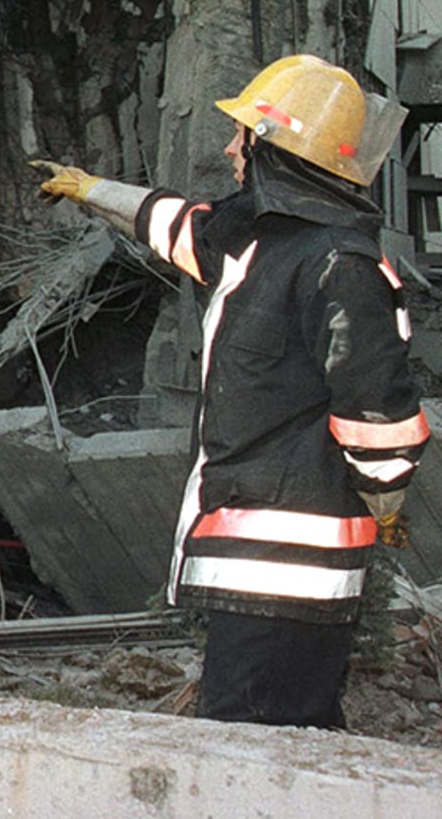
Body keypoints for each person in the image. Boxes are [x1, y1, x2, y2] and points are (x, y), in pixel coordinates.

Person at [33, 53, 429, 728]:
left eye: (244, 133)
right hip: (256, 573)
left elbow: (378, 412)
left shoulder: (339, 265)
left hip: (288, 577)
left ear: (278, 147)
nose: (229, 147)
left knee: (260, 755)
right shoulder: (265, 247)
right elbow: (180, 230)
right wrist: (92, 189)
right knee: (277, 745)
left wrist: (384, 490)